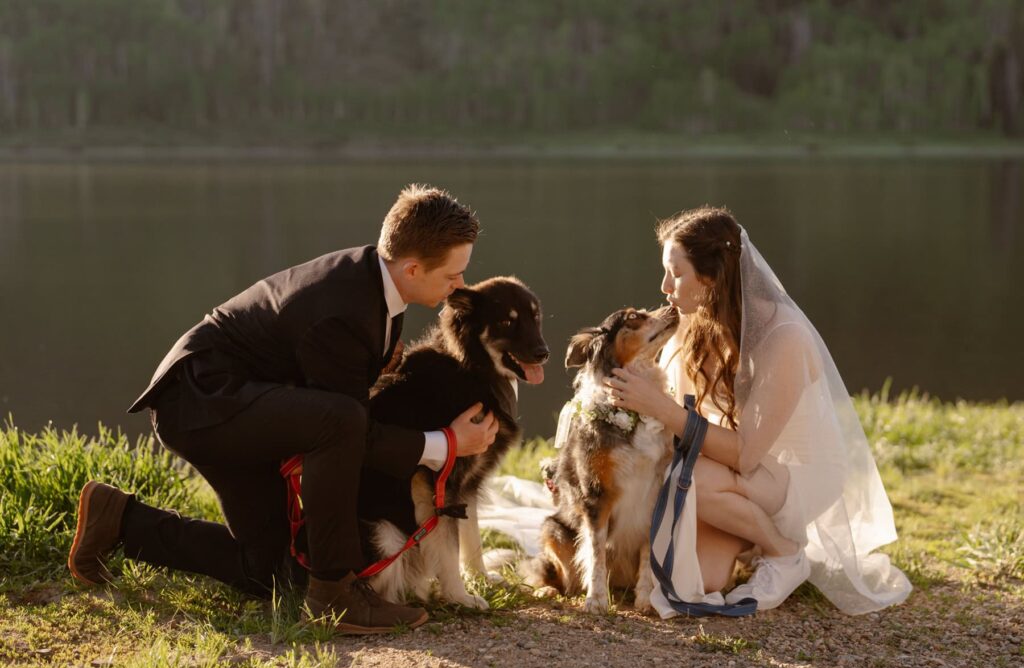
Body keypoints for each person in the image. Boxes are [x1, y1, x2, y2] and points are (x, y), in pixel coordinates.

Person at [67, 184, 500, 634]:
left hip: (236, 401)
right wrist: (446, 444)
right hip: (200, 403)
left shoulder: (379, 288)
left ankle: (118, 520)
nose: (460, 286)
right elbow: (353, 430)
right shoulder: (344, 309)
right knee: (340, 422)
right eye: (454, 275)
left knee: (270, 572)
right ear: (413, 268)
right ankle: (335, 594)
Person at [606, 206, 911, 614]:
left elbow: (747, 456)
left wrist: (659, 406)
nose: (665, 286)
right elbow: (665, 413)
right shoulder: (691, 322)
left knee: (687, 475)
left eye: (676, 274)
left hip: (794, 475)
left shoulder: (784, 338)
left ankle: (783, 551)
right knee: (701, 582)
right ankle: (748, 536)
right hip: (722, 469)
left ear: (711, 278)